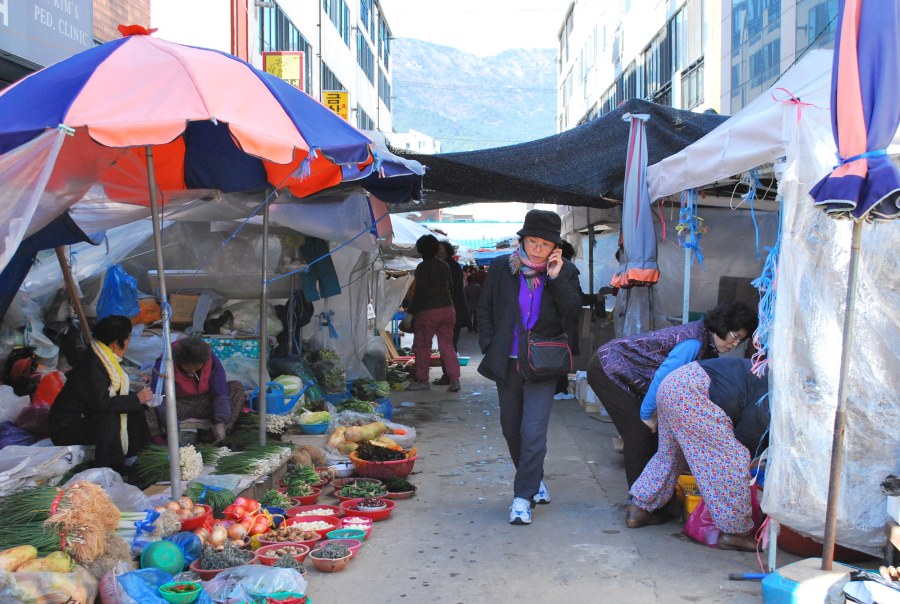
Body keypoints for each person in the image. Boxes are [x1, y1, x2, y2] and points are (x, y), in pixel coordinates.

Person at [477, 209, 582, 525]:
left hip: (542, 363)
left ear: (555, 248)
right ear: (522, 240)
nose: (537, 249)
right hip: (506, 361)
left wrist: (556, 277)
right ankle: (534, 479)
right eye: (533, 241)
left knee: (533, 431)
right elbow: (485, 309)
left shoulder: (565, 271)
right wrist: (488, 344)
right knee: (511, 428)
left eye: (545, 244)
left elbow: (572, 311)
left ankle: (522, 498)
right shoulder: (501, 267)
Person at [586, 301, 758, 491]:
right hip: (608, 367)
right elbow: (662, 378)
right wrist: (646, 414)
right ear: (723, 326)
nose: (735, 344)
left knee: (655, 436)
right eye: (735, 336)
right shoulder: (694, 342)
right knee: (639, 433)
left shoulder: (707, 344)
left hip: (630, 376)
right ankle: (638, 501)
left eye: (741, 340)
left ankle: (654, 495)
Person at [627, 358, 769, 551]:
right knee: (733, 459)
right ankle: (734, 533)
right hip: (692, 393)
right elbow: (748, 435)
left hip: (673, 385)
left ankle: (639, 509)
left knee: (670, 455)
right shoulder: (772, 390)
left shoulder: (764, 372)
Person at [49, 315, 153, 472]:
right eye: (128, 339)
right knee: (109, 418)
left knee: (134, 410)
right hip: (67, 427)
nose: (128, 344)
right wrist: (136, 399)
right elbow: (102, 404)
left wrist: (139, 400)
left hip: (88, 414)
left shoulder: (102, 358)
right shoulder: (91, 365)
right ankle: (110, 468)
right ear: (115, 343)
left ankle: (139, 458)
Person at [150, 336, 245, 443]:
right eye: (188, 368)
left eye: (196, 367)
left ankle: (219, 435)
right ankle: (161, 441)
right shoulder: (164, 363)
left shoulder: (210, 360)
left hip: (204, 403)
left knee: (236, 388)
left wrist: (220, 423)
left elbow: (220, 390)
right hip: (177, 405)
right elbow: (160, 397)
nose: (193, 371)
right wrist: (171, 426)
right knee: (147, 399)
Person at [406, 234, 461, 392]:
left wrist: (410, 314)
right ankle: (455, 380)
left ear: (420, 250)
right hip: (448, 309)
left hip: (428, 311)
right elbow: (451, 287)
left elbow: (420, 292)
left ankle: (423, 381)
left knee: (422, 346)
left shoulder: (422, 267)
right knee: (447, 346)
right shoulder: (444, 265)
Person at [433, 240, 470, 385]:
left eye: (442, 250)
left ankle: (450, 376)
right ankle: (449, 375)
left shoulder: (450, 266)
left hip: (453, 310)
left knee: (448, 344)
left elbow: (450, 288)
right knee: (448, 344)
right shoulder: (447, 265)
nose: (439, 252)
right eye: (438, 250)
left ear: (448, 251)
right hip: (452, 309)